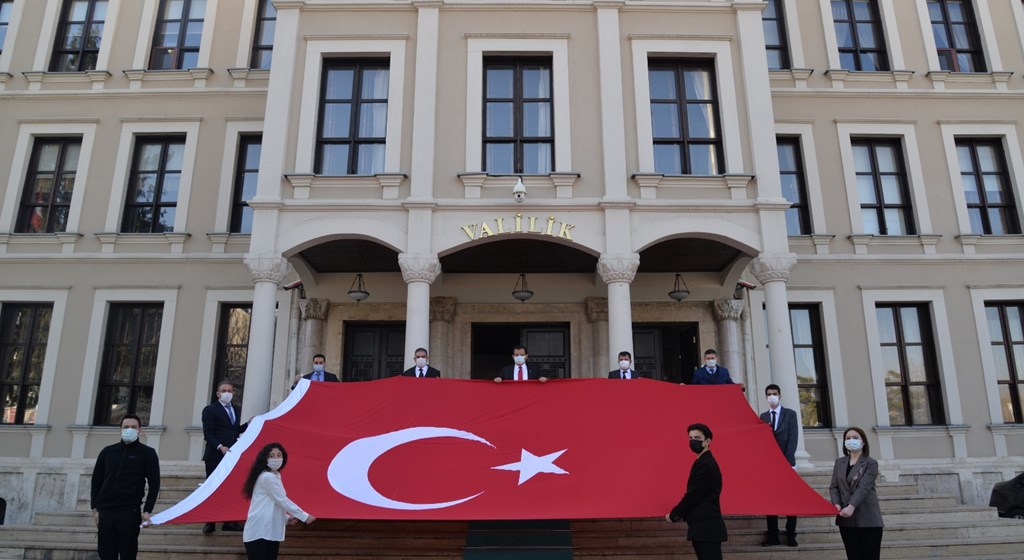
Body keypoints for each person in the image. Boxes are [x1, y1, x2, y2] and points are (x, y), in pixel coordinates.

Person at [90, 414, 161, 560]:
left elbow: (154, 483)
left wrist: (147, 510)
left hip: (130, 511)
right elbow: (96, 480)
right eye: (126, 427)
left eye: (133, 427)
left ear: (139, 430)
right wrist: (95, 508)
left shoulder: (147, 453)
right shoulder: (108, 452)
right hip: (106, 511)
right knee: (106, 553)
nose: (129, 430)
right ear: (120, 429)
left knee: (128, 554)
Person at [242, 443, 316, 560]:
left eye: (279, 455)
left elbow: (273, 503)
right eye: (272, 456)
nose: (276, 458)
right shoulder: (267, 477)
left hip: (269, 532)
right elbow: (281, 500)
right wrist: (304, 516)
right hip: (259, 532)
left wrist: (286, 519)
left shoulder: (275, 475)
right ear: (265, 459)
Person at [665, 423, 727, 560]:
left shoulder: (706, 465)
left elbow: (693, 495)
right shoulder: (701, 462)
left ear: (707, 441)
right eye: (690, 438)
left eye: (697, 438)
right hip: (703, 528)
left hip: (707, 529)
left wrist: (674, 514)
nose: (693, 441)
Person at [829, 427, 883, 560]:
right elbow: (834, 487)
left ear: (863, 442)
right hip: (846, 520)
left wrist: (851, 506)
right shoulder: (839, 462)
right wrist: (836, 504)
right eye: (848, 438)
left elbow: (863, 488)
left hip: (868, 519)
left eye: (855, 438)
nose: (851, 440)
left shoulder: (870, 463)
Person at [202, 381, 247, 533]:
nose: (227, 393)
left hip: (231, 456)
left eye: (229, 390)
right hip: (215, 455)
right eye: (224, 390)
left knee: (231, 486)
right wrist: (220, 446)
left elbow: (234, 430)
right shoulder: (210, 410)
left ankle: (229, 521)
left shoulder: (236, 409)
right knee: (212, 487)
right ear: (218, 393)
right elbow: (208, 433)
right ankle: (210, 522)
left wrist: (250, 424)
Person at [760, 383, 799, 547]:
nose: (772, 396)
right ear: (766, 397)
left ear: (780, 395)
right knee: (771, 500)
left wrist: (787, 462)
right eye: (769, 394)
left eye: (774, 393)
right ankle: (773, 535)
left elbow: (793, 438)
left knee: (791, 501)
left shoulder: (790, 414)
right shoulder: (763, 417)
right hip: (770, 466)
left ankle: (791, 534)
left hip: (787, 463)